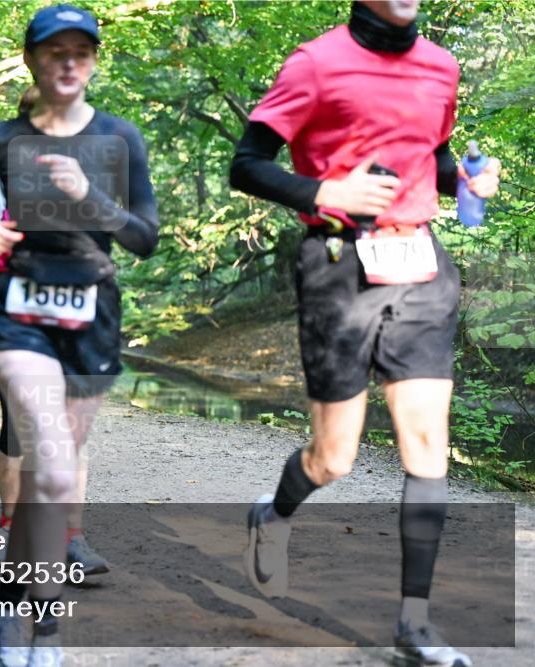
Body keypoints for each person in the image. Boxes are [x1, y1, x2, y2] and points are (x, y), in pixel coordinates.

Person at [229, 2, 501, 666]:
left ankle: (414, 625)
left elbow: (428, 159)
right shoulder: (316, 63)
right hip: (337, 265)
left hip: (421, 264)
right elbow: (247, 164)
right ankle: (273, 514)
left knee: (427, 444)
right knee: (336, 457)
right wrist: (327, 193)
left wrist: (466, 179)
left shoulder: (441, 66)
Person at [0, 6, 159, 666]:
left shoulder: (120, 140)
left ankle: (11, 604)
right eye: (54, 50)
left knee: (45, 482)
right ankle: (48, 627)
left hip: (91, 317)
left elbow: (144, 238)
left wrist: (92, 196)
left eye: (81, 52)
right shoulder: (3, 138)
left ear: (93, 61)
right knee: (57, 467)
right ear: (32, 59)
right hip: (20, 313)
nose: (69, 62)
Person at [0, 87, 109, 577]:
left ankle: (72, 539)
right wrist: (1, 238)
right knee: (20, 431)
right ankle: (9, 528)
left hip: (75, 319)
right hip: (16, 320)